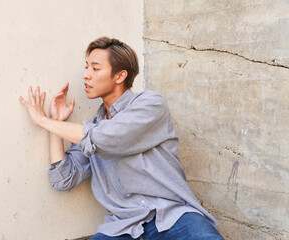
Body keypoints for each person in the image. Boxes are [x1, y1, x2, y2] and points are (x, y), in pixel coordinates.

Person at [19, 37, 224, 240]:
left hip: (172, 216)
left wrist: (42, 121)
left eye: (95, 68)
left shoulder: (150, 104)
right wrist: (55, 123)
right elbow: (63, 178)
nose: (86, 75)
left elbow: (105, 139)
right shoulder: (94, 128)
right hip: (124, 227)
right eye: (86, 67)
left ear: (120, 76)